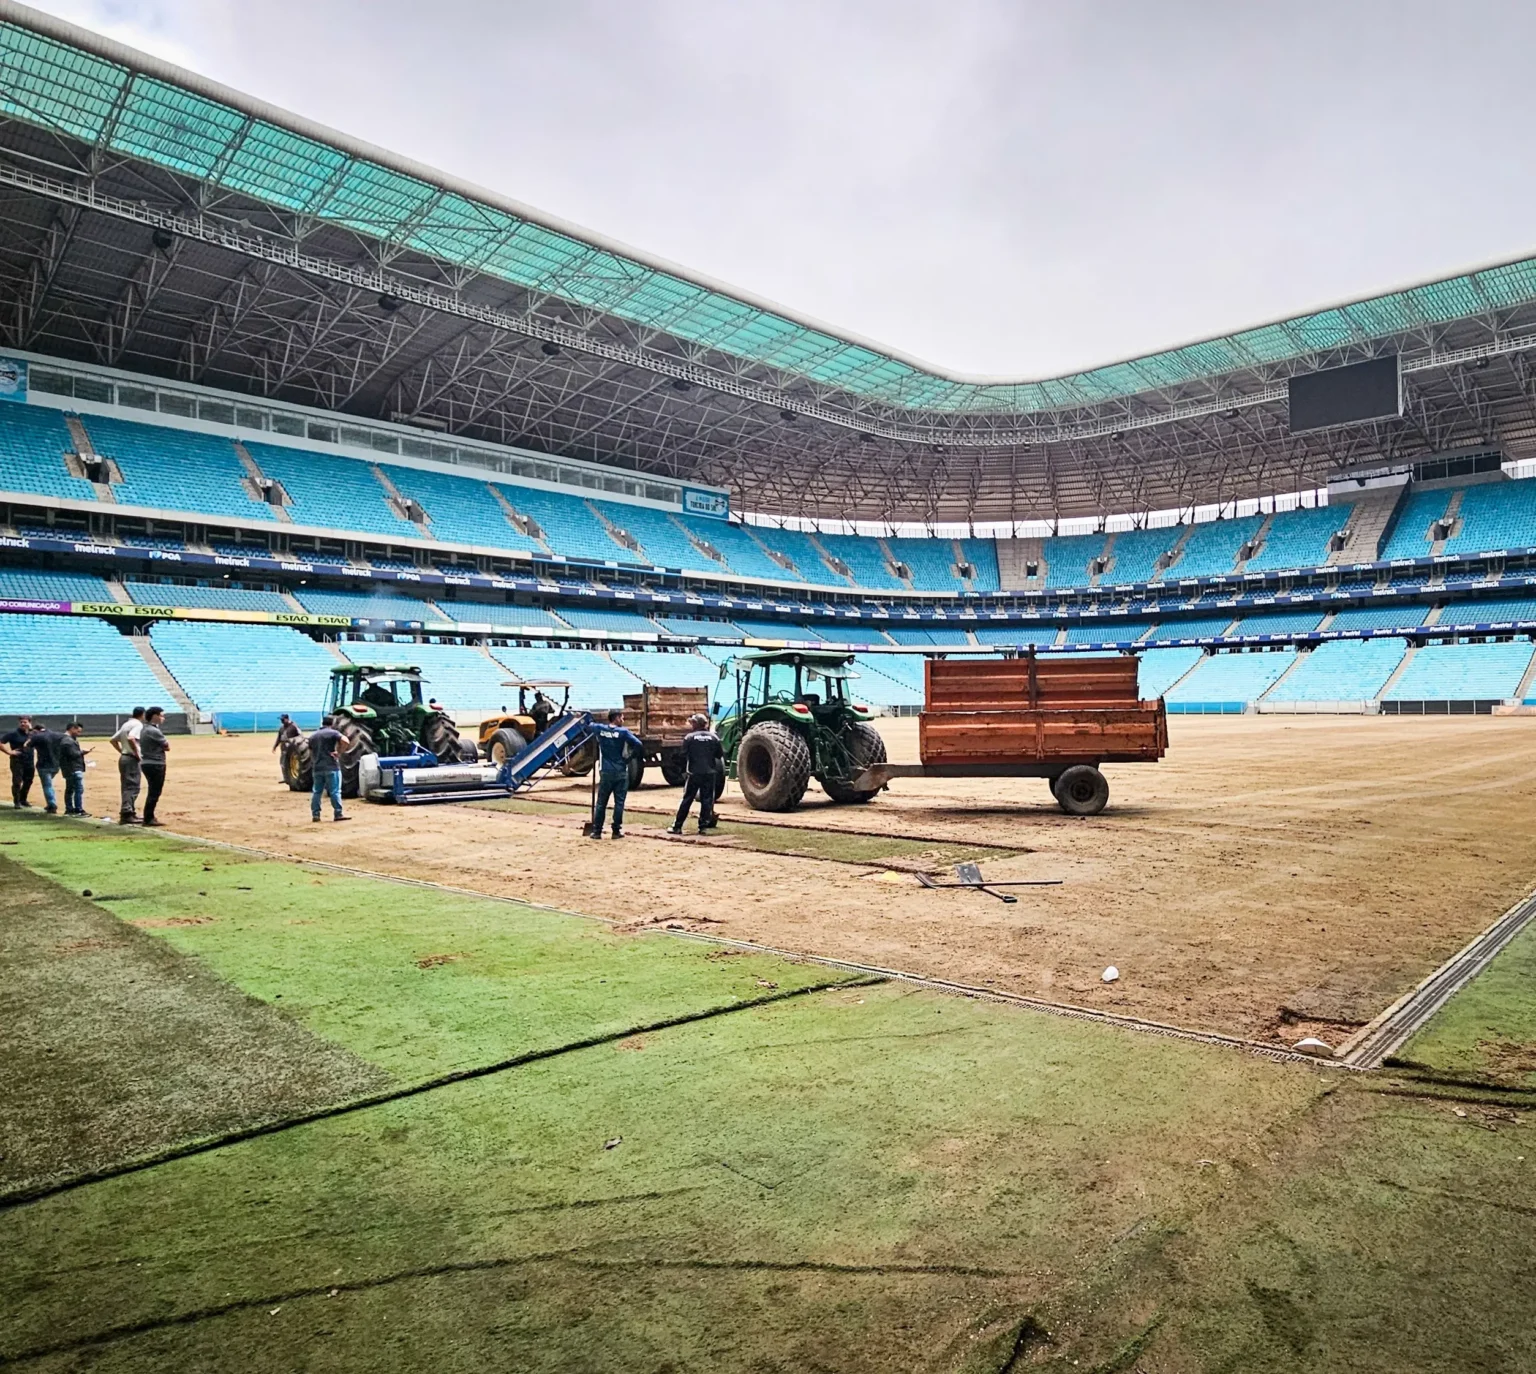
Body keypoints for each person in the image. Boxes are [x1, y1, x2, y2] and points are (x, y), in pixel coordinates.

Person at [588, 708, 643, 840]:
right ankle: (616, 831)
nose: (623, 720)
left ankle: (597, 831)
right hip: (621, 771)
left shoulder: (600, 729)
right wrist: (629, 758)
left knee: (601, 803)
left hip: (606, 771)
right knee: (619, 803)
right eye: (622, 717)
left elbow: (588, 725)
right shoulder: (623, 732)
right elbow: (638, 744)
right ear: (617, 718)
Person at [669, 714, 724, 836]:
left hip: (694, 773)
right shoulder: (714, 738)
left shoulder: (689, 738)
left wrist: (683, 771)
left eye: (692, 722)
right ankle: (703, 827)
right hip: (709, 774)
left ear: (696, 724)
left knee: (687, 799)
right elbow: (719, 755)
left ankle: (677, 826)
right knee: (707, 800)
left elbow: (682, 756)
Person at [307, 717, 350, 823]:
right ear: (332, 723)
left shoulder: (313, 736)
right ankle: (338, 813)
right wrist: (339, 752)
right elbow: (346, 741)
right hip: (331, 766)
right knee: (335, 791)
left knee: (317, 792)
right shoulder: (333, 733)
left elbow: (310, 750)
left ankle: (316, 814)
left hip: (317, 768)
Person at [110, 707, 145, 824]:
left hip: (124, 757)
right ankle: (127, 813)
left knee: (127, 785)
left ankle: (129, 811)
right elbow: (131, 737)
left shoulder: (126, 724)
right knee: (133, 786)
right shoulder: (138, 725)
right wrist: (136, 753)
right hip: (131, 758)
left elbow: (113, 739)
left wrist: (121, 751)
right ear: (142, 714)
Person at [138, 706, 170, 827]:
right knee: (155, 791)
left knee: (153, 790)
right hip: (156, 763)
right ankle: (148, 817)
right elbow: (166, 746)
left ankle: (148, 816)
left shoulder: (144, 729)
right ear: (155, 716)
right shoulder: (154, 731)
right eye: (161, 715)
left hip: (147, 762)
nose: (163, 718)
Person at [27, 720, 62, 814]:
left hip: (43, 764)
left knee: (47, 785)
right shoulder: (56, 735)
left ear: (36, 730)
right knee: (49, 784)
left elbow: (27, 745)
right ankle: (51, 803)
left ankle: (52, 804)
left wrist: (31, 735)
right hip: (56, 764)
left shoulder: (37, 736)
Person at [2, 714, 34, 808]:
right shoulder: (13, 734)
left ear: (29, 723)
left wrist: (31, 729)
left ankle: (23, 799)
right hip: (17, 761)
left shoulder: (31, 734)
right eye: (21, 722)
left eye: (25, 722)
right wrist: (9, 752)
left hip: (29, 761)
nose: (23, 724)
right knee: (17, 781)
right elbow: (1, 742)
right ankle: (16, 802)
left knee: (28, 781)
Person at [59, 722, 91, 816]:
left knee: (70, 789)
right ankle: (78, 809)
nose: (78, 733)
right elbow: (72, 754)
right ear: (72, 728)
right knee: (78, 789)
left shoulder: (66, 739)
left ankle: (69, 809)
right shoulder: (68, 741)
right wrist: (82, 752)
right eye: (78, 731)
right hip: (73, 768)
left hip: (69, 768)